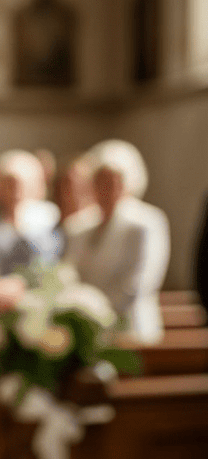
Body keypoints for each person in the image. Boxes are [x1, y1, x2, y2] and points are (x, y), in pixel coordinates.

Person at [66, 139, 170, 342]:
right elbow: (69, 273)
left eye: (114, 180)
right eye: (101, 180)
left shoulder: (146, 223)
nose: (108, 188)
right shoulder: (78, 226)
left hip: (130, 328)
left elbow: (138, 283)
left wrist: (97, 313)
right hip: (85, 332)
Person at [0, 149, 62, 275]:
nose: (15, 190)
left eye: (20, 184)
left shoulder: (47, 216)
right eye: (8, 183)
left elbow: (48, 258)